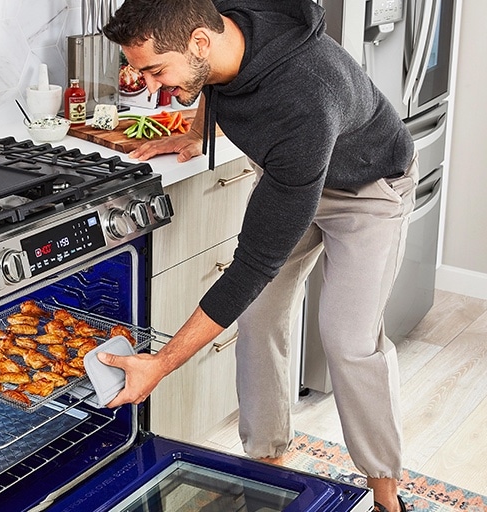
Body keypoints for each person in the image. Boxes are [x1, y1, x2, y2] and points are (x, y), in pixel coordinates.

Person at [100, 2, 417, 512]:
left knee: (348, 340)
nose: (152, 86)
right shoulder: (220, 25)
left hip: (368, 190)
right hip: (289, 177)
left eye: (156, 71)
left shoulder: (304, 100)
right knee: (260, 315)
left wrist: (161, 363)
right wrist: (193, 131)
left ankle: (386, 494)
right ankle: (268, 472)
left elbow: (252, 266)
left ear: (199, 42)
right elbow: (214, 82)